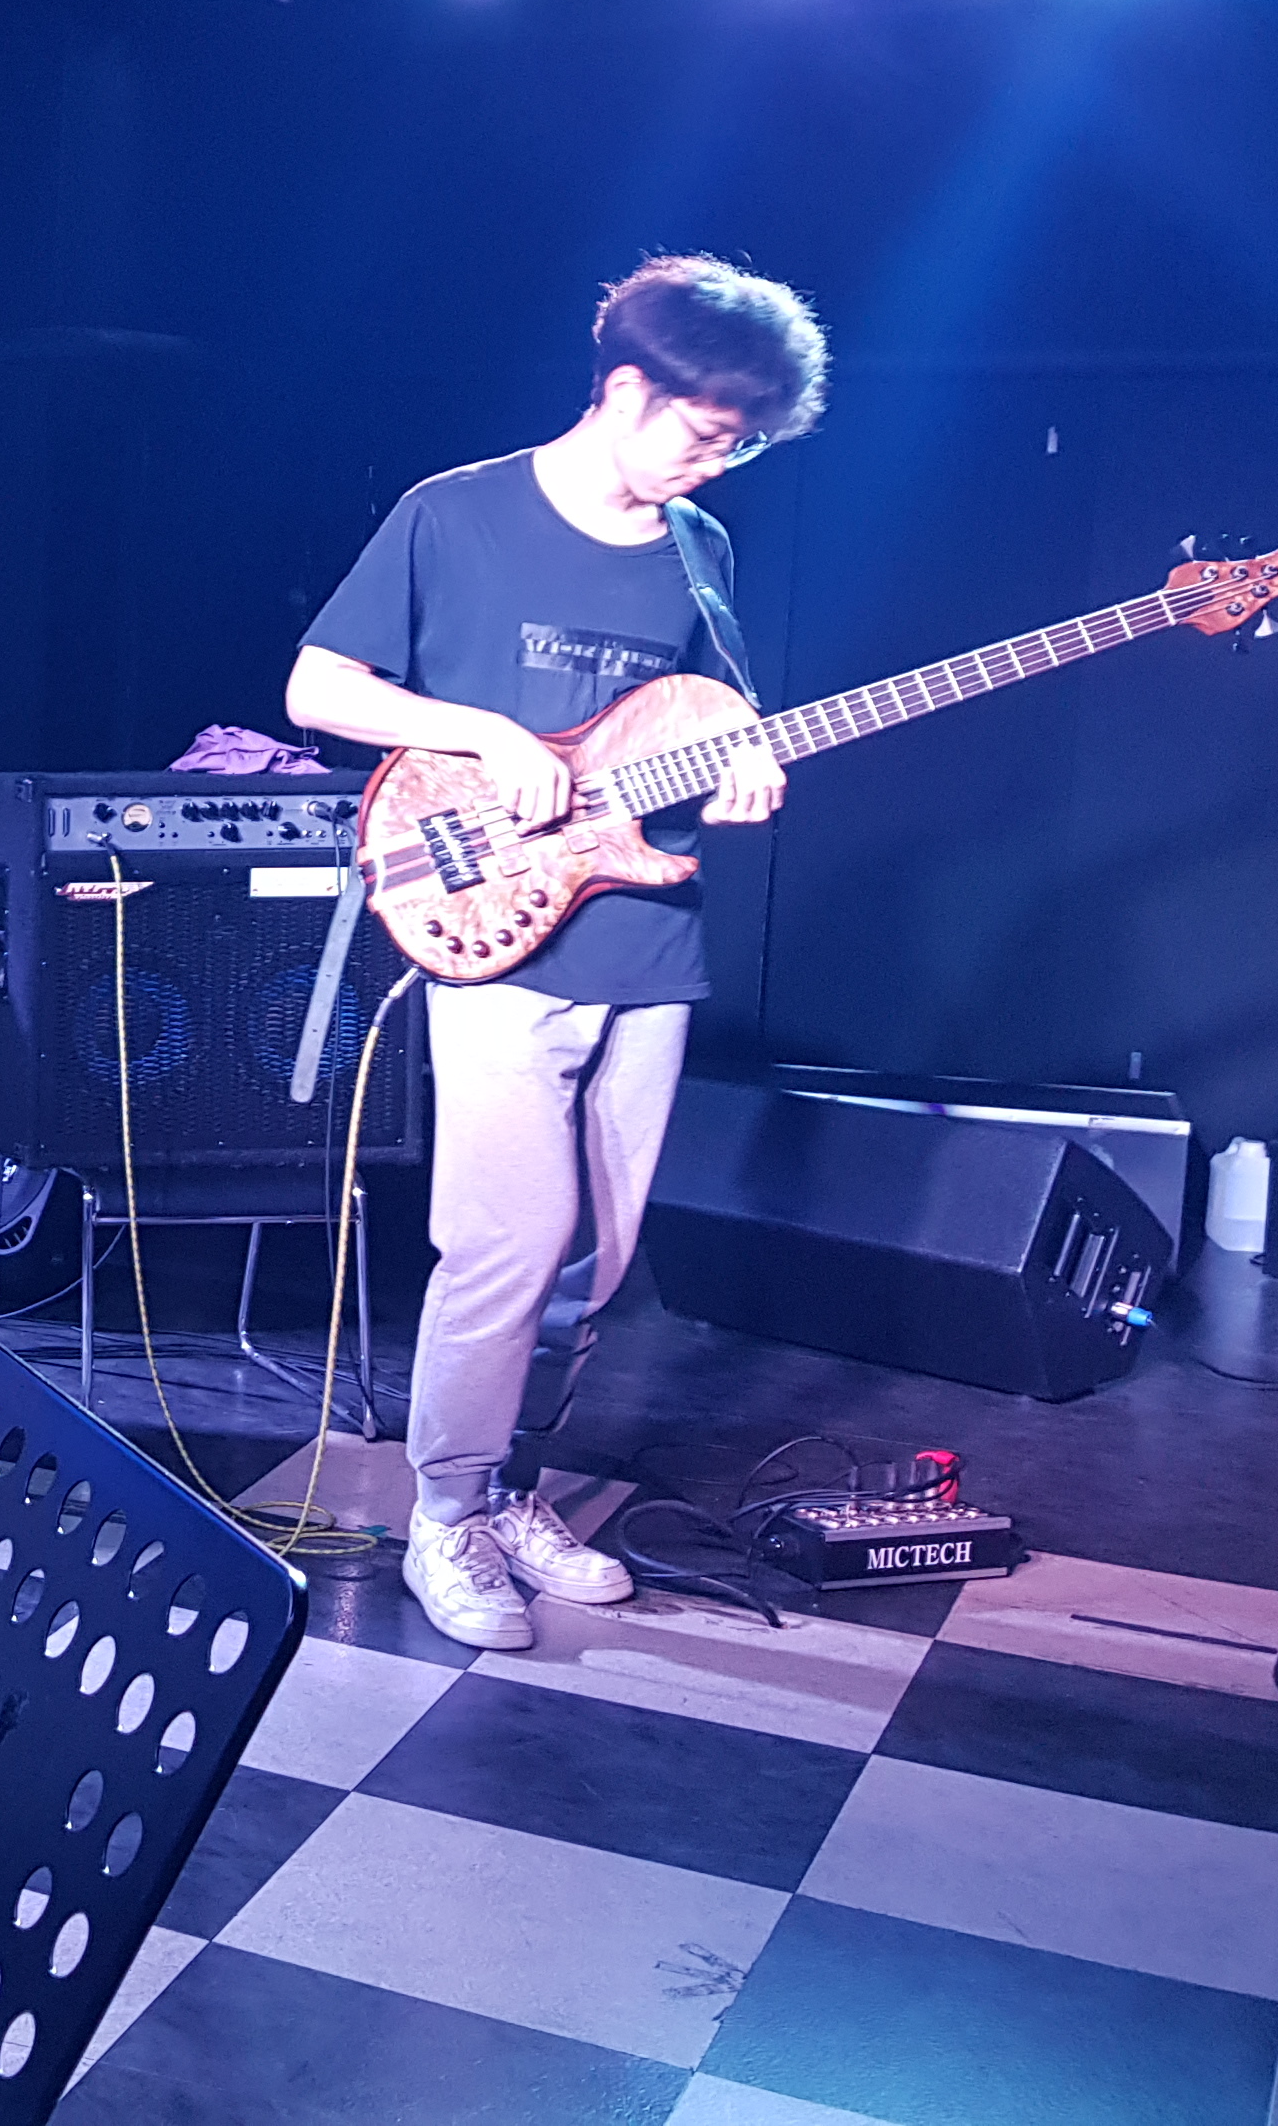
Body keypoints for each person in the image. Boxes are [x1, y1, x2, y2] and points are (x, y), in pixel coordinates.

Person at [281, 254, 829, 1652]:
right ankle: (444, 1515)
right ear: (627, 390)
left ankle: (516, 1490)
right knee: (506, 1244)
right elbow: (317, 686)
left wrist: (746, 769)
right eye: (705, 434)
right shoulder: (455, 513)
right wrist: (480, 732)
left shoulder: (701, 549)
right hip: (498, 937)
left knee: (595, 1260)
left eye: (741, 446)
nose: (718, 464)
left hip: (648, 936)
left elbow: (708, 725)